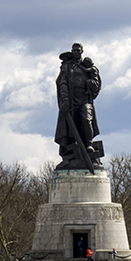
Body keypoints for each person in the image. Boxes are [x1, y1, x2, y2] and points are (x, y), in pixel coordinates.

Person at [55, 42, 102, 170]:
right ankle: (70, 154)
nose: (76, 52)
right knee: (71, 127)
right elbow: (62, 82)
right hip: (71, 102)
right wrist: (64, 99)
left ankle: (89, 145)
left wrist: (90, 84)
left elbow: (97, 84)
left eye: (78, 50)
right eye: (74, 50)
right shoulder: (67, 67)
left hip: (84, 99)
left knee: (87, 120)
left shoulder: (87, 66)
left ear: (82, 51)